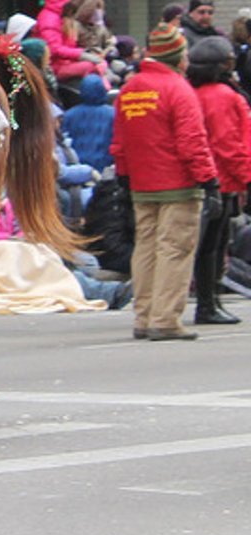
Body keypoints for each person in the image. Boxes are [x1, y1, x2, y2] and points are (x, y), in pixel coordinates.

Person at [110, 23, 217, 341]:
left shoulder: (130, 89)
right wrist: (208, 178)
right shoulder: (179, 90)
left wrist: (125, 175)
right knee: (175, 249)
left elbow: (120, 141)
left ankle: (143, 316)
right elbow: (192, 141)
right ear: (178, 57)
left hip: (142, 184)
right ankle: (166, 318)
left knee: (146, 249)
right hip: (178, 184)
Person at [184, 35, 245, 326]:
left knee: (209, 242)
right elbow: (229, 144)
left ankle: (209, 301)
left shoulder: (192, 93)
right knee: (214, 243)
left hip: (201, 178)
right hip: (223, 178)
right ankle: (208, 304)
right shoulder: (225, 96)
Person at [35, 0, 107, 103]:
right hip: (56, 66)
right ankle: (102, 93)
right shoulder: (49, 19)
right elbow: (54, 49)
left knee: (99, 62)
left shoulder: (61, 18)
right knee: (91, 65)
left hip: (66, 63)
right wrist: (82, 55)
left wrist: (86, 52)